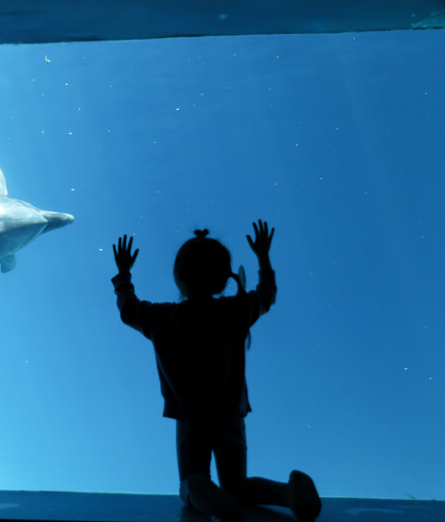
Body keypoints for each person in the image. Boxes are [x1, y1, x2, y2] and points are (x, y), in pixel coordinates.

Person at [111, 221, 321, 522]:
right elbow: (265, 295)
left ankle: (201, 490)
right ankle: (287, 493)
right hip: (231, 415)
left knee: (190, 481)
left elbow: (128, 309)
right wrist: (263, 257)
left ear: (180, 277)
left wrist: (124, 274)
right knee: (236, 484)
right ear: (224, 279)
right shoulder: (235, 311)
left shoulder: (163, 318)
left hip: (190, 417)